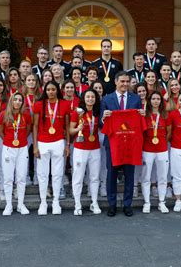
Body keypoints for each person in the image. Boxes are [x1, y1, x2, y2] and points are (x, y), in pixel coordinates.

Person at [100, 71, 144, 217]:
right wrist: (104, 117)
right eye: (122, 81)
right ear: (116, 82)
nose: (125, 84)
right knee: (111, 174)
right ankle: (111, 205)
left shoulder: (136, 99)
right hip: (112, 142)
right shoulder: (107, 99)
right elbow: (101, 121)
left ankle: (127, 204)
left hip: (130, 143)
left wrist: (142, 115)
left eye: (127, 81)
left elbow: (138, 120)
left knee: (129, 175)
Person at [33, 81, 70, 215]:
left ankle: (55, 202)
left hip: (58, 142)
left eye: (53, 89)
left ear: (57, 90)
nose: (50, 92)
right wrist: (35, 146)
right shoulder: (38, 104)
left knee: (57, 173)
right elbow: (35, 126)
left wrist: (67, 145)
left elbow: (67, 127)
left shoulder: (64, 104)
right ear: (45, 91)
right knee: (42, 174)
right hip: (43, 142)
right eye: (48, 89)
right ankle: (43, 202)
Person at [69, 89, 102, 215]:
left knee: (94, 177)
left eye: (92, 97)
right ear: (83, 98)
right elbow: (71, 130)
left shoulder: (98, 112)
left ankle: (94, 202)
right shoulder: (77, 112)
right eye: (88, 97)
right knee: (78, 176)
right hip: (80, 148)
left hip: (95, 148)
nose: (90, 99)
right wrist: (78, 128)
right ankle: (77, 204)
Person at [0, 92, 32, 215]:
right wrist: (9, 141)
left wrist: (19, 140)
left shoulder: (26, 115)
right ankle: (8, 205)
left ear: (22, 102)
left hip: (22, 148)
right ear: (11, 101)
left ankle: (20, 204)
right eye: (15, 99)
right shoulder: (3, 115)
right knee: (8, 178)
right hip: (8, 148)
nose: (17, 102)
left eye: (20, 100)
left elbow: (28, 129)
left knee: (21, 177)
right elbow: (1, 132)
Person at [140, 91, 170, 213]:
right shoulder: (144, 115)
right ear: (149, 100)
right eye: (153, 99)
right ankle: (147, 202)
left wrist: (161, 142)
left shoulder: (165, 115)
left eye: (158, 99)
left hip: (162, 149)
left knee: (162, 178)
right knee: (146, 177)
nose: (156, 101)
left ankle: (162, 202)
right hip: (147, 150)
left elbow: (169, 132)